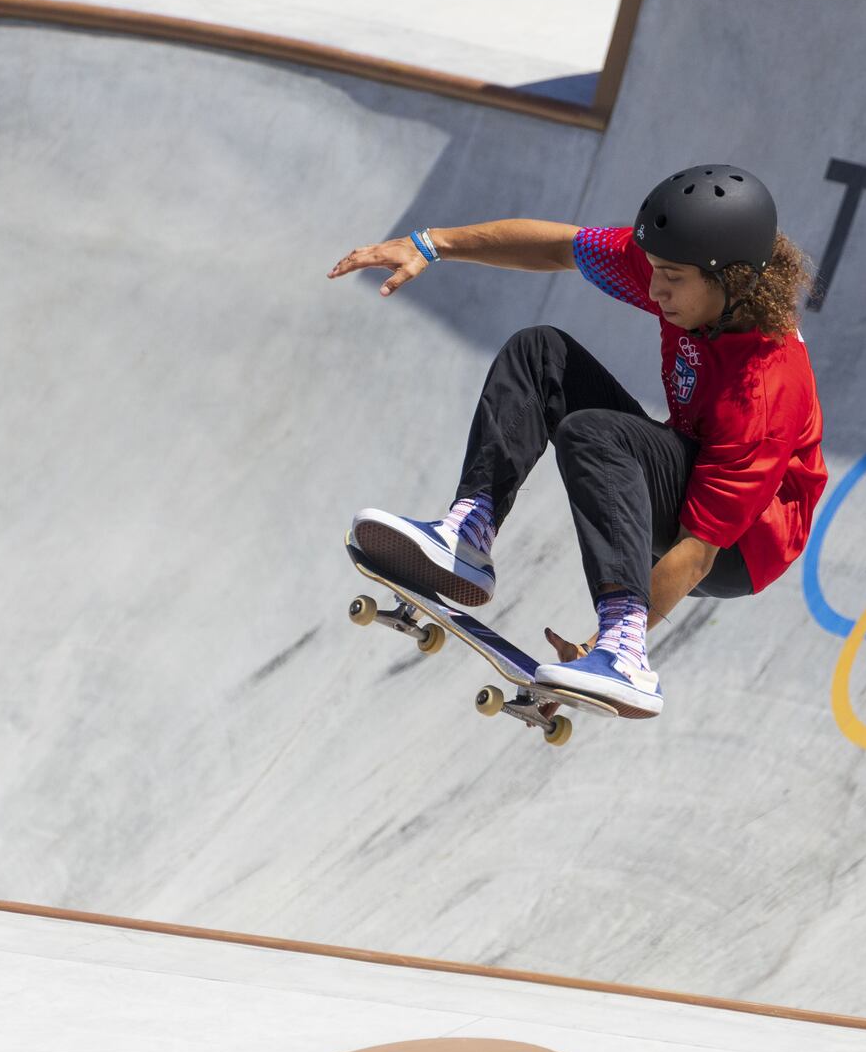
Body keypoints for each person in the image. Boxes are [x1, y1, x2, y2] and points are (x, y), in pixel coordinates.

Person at [328, 165, 826, 718]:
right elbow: (562, 249)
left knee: (594, 434)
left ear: (733, 281)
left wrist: (599, 647)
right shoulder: (687, 270)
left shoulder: (765, 388)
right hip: (689, 467)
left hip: (740, 548)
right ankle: (468, 533)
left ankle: (626, 652)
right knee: (541, 352)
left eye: (672, 278)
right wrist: (432, 243)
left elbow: (698, 552)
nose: (655, 288)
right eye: (654, 270)